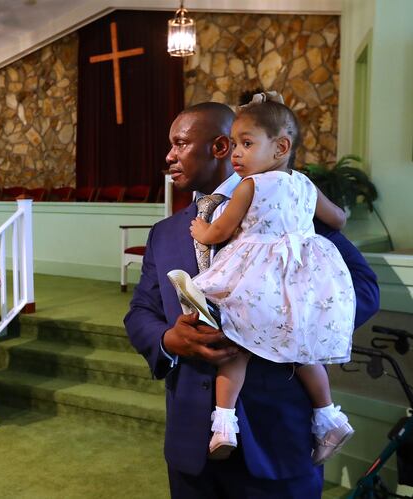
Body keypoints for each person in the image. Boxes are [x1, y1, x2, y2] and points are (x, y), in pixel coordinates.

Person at [124, 101, 379, 498]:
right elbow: (141, 311)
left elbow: (364, 287)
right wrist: (169, 340)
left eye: (179, 144)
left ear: (222, 147)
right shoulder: (166, 232)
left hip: (280, 437)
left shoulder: (293, 207)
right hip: (192, 445)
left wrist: (282, 321)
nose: (169, 156)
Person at [189, 92, 354, 464]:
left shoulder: (252, 186)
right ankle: (328, 415)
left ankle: (224, 425)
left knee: (235, 343)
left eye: (246, 144)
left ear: (280, 147)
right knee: (305, 352)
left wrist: (201, 231)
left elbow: (222, 231)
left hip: (258, 282)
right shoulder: (305, 186)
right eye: (233, 144)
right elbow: (339, 219)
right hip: (298, 283)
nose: (236, 154)